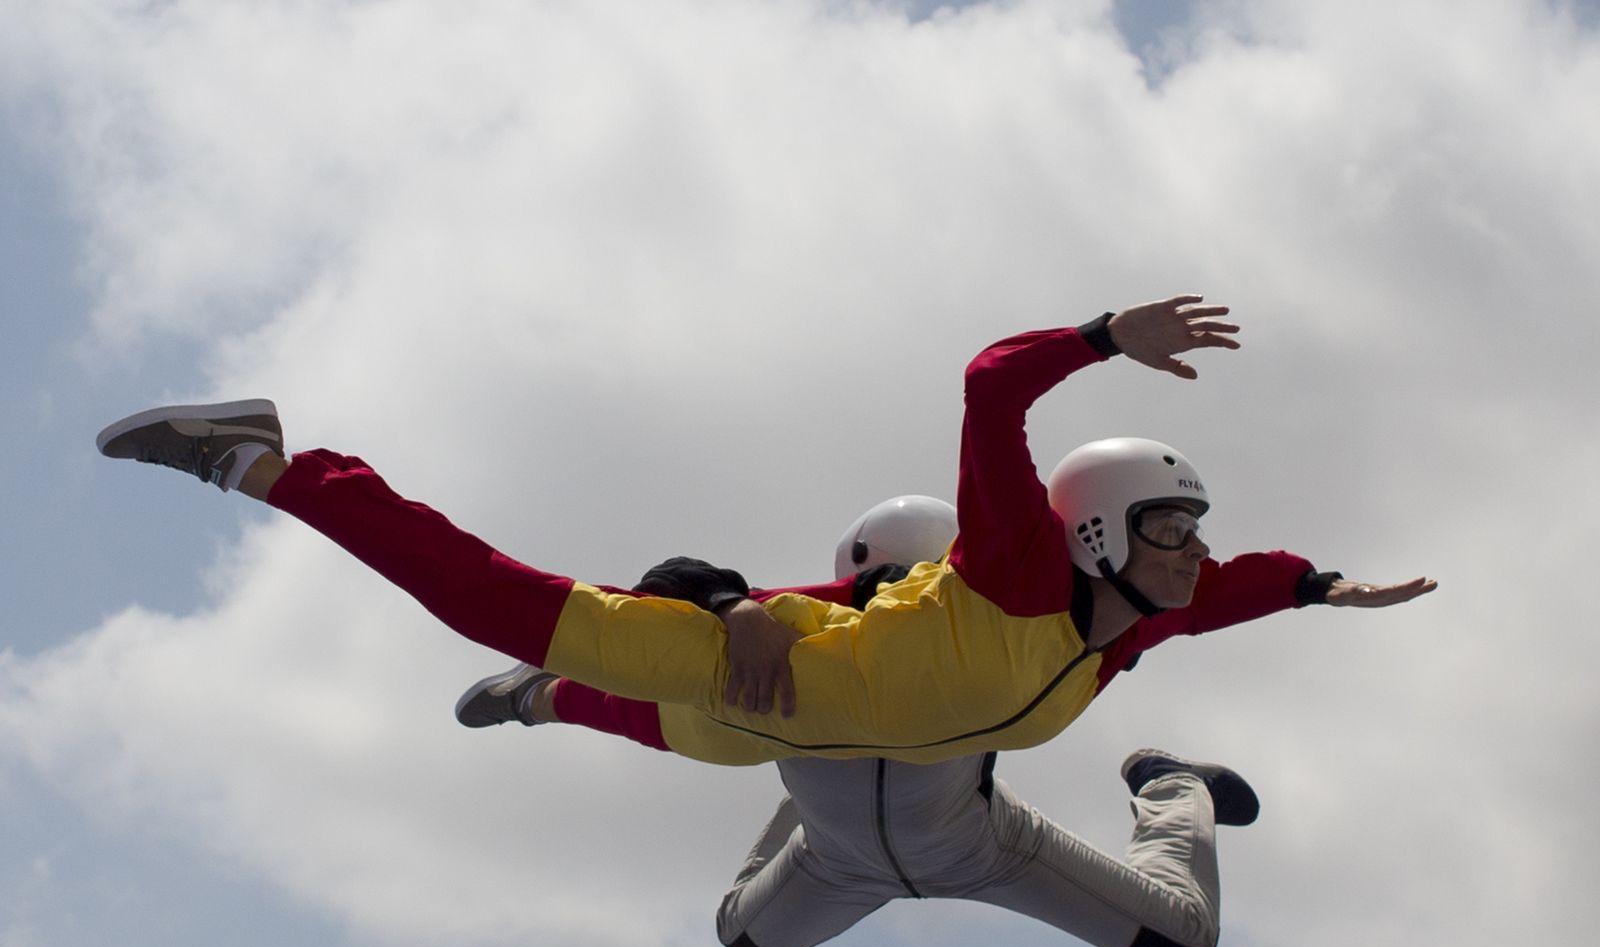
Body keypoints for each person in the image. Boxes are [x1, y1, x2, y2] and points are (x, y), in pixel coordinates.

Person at [96, 294, 1435, 766]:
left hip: (818, 730)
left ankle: (549, 697)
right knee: (511, 605)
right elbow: (987, 385)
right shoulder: (1020, 565)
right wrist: (1098, 337)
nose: (1193, 553)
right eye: (1168, 528)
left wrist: (1322, 586)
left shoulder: (1132, 633)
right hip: (775, 671)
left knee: (696, 746)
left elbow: (1238, 585)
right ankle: (268, 460)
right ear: (1090, 535)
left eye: (1195, 532)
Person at [455, 498, 1403, 947]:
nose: (908, 608)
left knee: (1182, 941)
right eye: (894, 590)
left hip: (978, 843)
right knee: (742, 936)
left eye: (929, 589)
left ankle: (1170, 786)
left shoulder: (1001, 629)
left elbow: (1173, 609)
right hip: (841, 856)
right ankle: (803, 776)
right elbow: (643, 677)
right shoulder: (818, 622)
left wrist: (1307, 583)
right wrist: (728, 603)